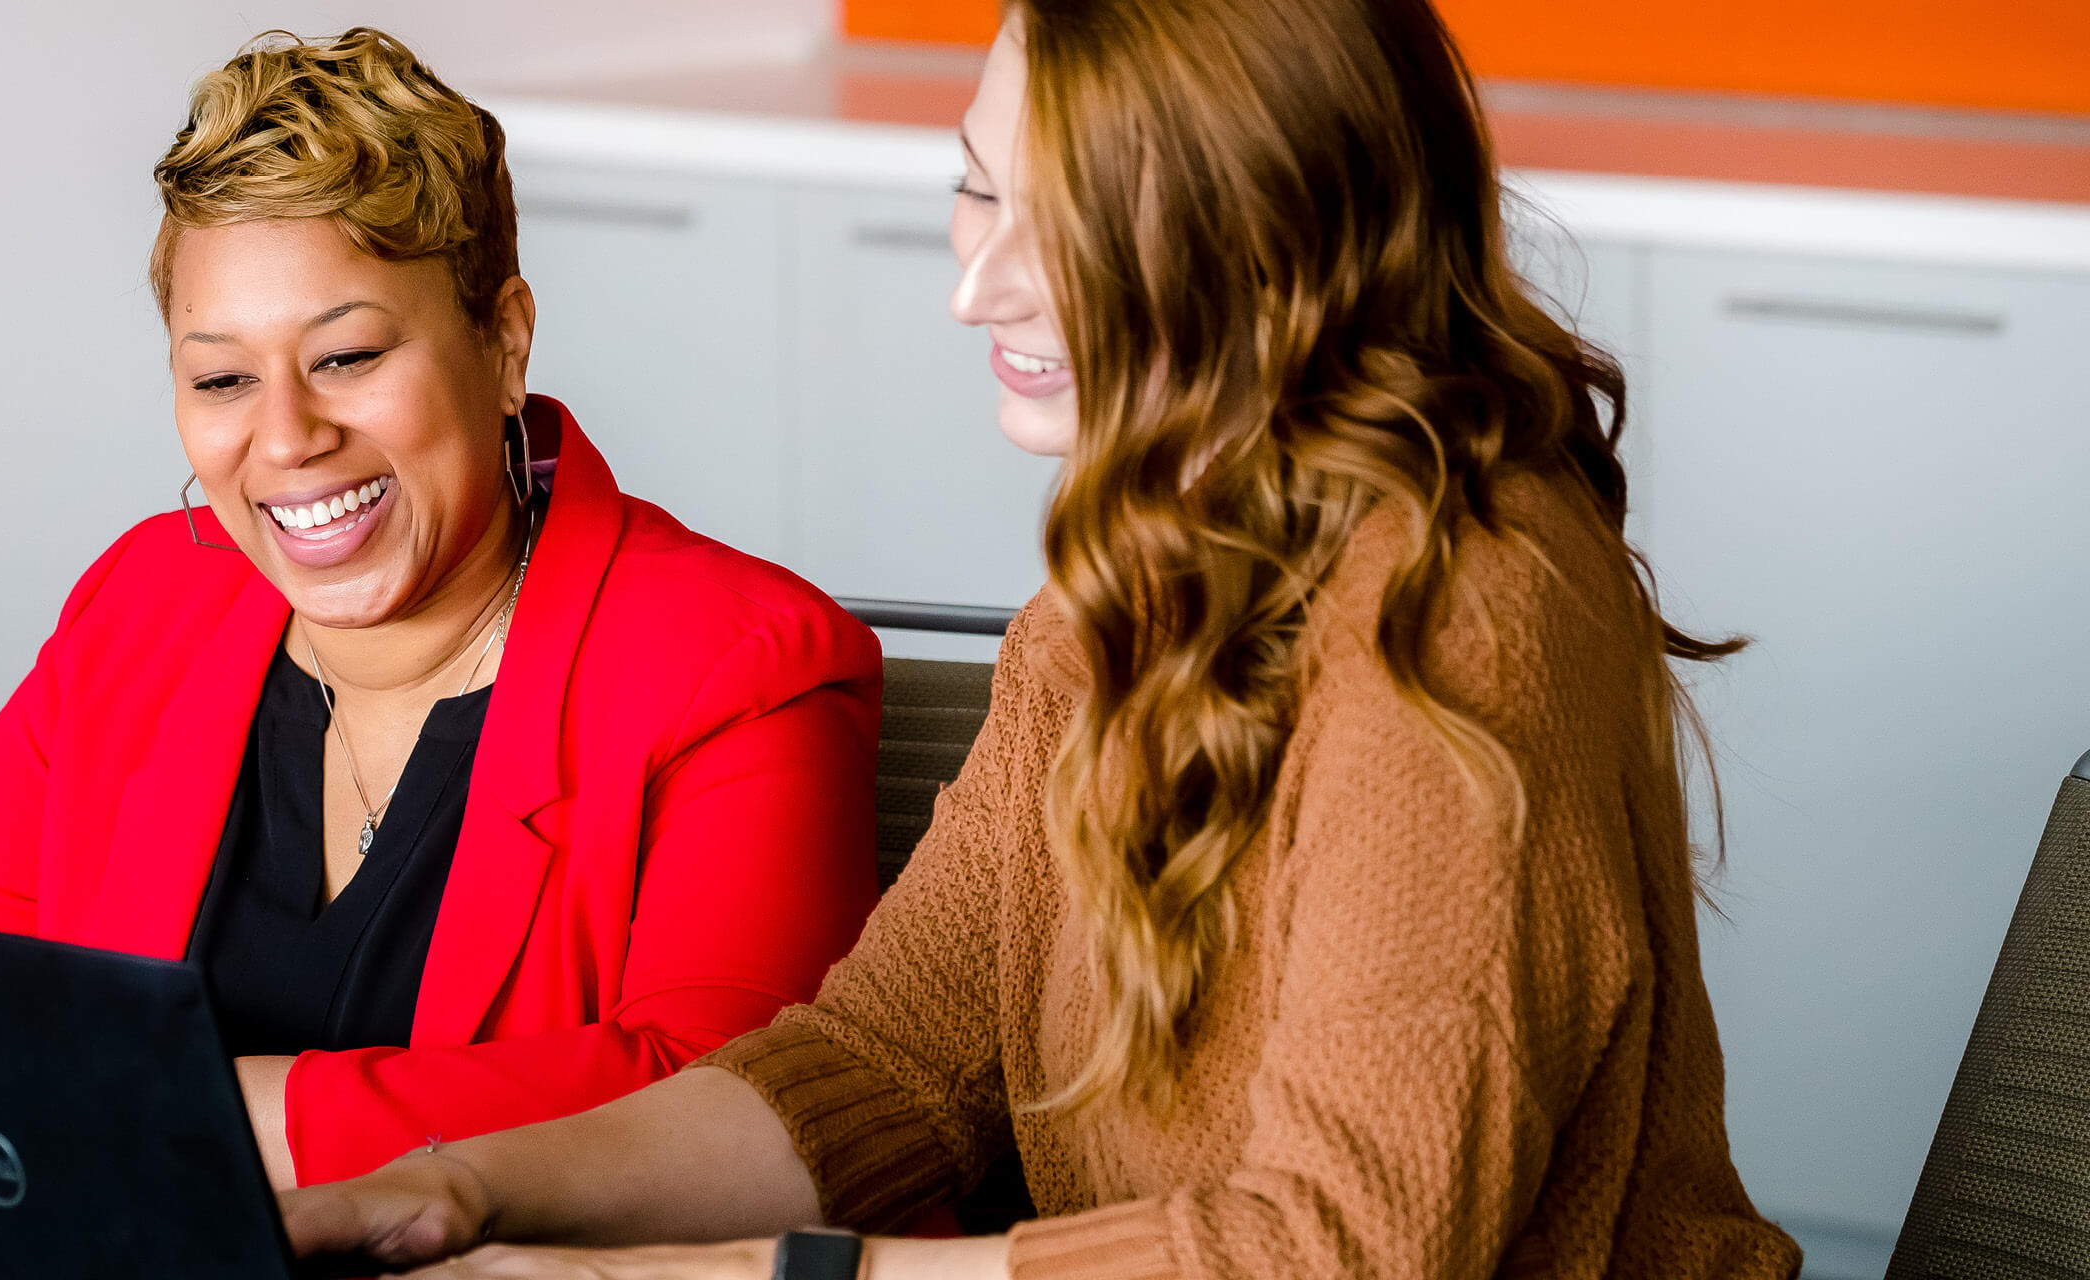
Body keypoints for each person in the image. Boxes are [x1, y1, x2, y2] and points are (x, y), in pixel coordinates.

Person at [277, 0, 1807, 1275]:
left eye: (1067, 223)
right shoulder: (1116, 585)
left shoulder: (1459, 601)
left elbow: (1342, 1246)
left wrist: (778, 1275)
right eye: (978, 188)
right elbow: (881, 1070)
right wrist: (468, 1188)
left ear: (1278, 236)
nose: (973, 284)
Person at [0, 28, 882, 1191]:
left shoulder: (734, 665)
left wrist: (199, 1107)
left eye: (347, 356)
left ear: (504, 341)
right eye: (223, 378)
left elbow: (735, 1110)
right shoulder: (149, 598)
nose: (285, 438)